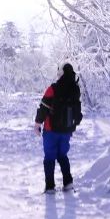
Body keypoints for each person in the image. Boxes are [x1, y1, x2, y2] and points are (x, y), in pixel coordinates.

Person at [35, 63, 83, 192]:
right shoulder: (75, 89)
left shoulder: (53, 88)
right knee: (63, 155)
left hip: (51, 129)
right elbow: (78, 109)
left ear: (60, 73)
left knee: (49, 157)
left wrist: (37, 123)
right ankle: (68, 183)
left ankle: (50, 186)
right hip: (67, 130)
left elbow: (43, 107)